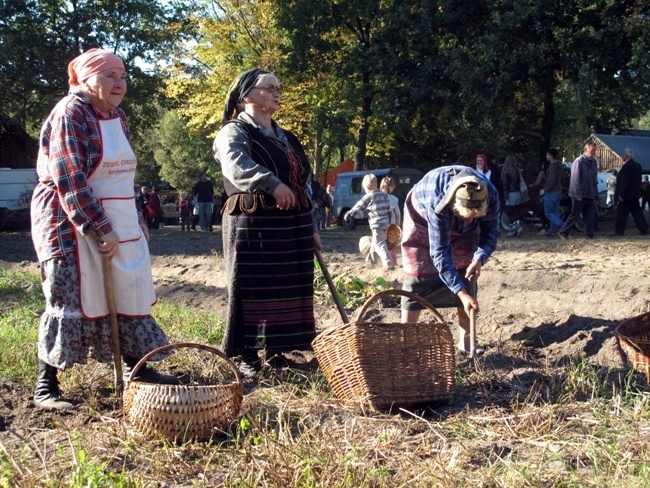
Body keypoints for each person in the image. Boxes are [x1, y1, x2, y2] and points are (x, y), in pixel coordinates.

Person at [29, 49, 176, 410]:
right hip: (68, 221)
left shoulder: (118, 118)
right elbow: (70, 179)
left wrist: (137, 218)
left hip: (117, 217)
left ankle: (136, 370)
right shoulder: (70, 113)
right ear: (85, 79)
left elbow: (125, 175)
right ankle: (46, 387)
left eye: (123, 76)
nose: (119, 83)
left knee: (128, 290)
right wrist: (98, 226)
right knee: (68, 294)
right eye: (109, 76)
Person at [213, 68, 321, 377]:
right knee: (252, 287)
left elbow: (304, 181)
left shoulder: (286, 136)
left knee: (287, 284)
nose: (277, 93)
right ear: (247, 95)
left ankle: (277, 352)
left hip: (291, 224)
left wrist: (312, 226)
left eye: (278, 88)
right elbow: (236, 166)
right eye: (269, 87)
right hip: (253, 222)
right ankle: (249, 357)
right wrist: (271, 184)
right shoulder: (234, 131)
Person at [400, 166, 499, 355]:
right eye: (466, 217)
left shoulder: (490, 195)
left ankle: (467, 343)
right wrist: (461, 295)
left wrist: (479, 258)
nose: (470, 222)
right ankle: (406, 343)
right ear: (454, 206)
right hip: (420, 217)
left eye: (475, 218)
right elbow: (439, 253)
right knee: (417, 275)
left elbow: (491, 231)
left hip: (457, 211)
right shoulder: (438, 204)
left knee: (464, 270)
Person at [344, 173, 393, 270]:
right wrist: (390, 221)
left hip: (376, 223)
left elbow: (359, 207)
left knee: (379, 243)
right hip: (385, 222)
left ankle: (388, 263)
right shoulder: (384, 195)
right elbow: (389, 209)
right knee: (375, 241)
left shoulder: (369, 196)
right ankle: (371, 262)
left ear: (366, 187)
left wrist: (349, 214)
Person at [558, 142, 599, 240]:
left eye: (595, 150)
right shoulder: (579, 161)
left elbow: (594, 179)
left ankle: (589, 235)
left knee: (590, 215)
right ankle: (563, 232)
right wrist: (578, 194)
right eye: (592, 150)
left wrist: (594, 193)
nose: (594, 152)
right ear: (586, 150)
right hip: (579, 194)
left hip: (589, 194)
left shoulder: (594, 162)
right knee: (575, 214)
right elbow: (575, 178)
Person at [612, 148, 649, 236]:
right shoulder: (638, 166)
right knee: (637, 212)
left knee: (621, 213)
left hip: (626, 196)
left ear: (627, 155)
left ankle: (618, 231)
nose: (622, 156)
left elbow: (625, 181)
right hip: (634, 194)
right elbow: (638, 180)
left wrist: (621, 194)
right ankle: (644, 229)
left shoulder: (626, 167)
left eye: (623, 154)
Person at [541, 149, 565, 237]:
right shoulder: (560, 166)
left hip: (551, 192)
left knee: (548, 212)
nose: (546, 157)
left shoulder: (552, 167)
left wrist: (546, 189)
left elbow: (551, 181)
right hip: (558, 191)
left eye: (547, 155)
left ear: (551, 156)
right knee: (555, 213)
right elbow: (562, 178)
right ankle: (551, 231)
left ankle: (562, 225)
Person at [500, 155, 524, 237]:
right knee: (514, 211)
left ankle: (517, 225)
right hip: (518, 193)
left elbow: (505, 185)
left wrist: (506, 197)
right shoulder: (517, 170)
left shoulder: (506, 171)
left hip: (511, 193)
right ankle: (512, 231)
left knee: (508, 212)